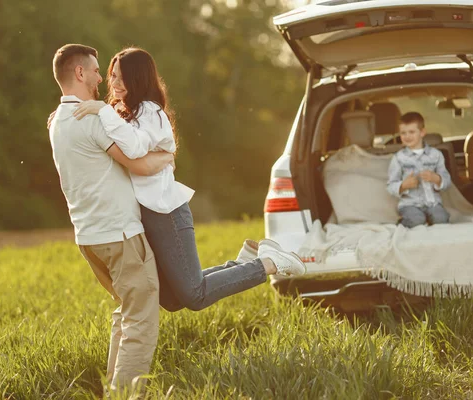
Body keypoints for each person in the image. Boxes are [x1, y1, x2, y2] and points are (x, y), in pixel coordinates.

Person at [72, 47, 306, 312]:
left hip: (166, 213)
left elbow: (135, 149)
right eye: (112, 76)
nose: (114, 84)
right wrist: (66, 115)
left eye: (122, 78)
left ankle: (266, 263)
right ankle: (242, 264)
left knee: (194, 295)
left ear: (139, 79)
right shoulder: (121, 112)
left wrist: (102, 111)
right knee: (171, 300)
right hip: (144, 217)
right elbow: (97, 129)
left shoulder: (150, 112)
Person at [48, 44, 175, 394]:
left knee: (125, 313)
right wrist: (167, 154)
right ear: (78, 73)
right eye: (94, 70)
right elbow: (137, 160)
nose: (98, 78)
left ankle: (113, 388)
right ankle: (124, 394)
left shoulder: (55, 121)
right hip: (119, 234)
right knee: (141, 321)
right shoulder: (89, 117)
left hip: (88, 238)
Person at [387, 112, 451, 228]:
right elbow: (390, 185)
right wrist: (403, 185)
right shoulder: (398, 158)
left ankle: (429, 221)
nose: (407, 136)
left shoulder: (436, 155)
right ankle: (403, 223)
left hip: (433, 203)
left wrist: (436, 178)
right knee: (417, 220)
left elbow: (446, 180)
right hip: (409, 204)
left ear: (422, 132)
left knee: (441, 219)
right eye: (403, 133)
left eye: (411, 132)